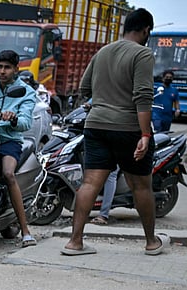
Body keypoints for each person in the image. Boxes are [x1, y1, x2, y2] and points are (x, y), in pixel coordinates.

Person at [62, 8, 169, 256]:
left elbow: (84, 87)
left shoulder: (103, 52)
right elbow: (143, 95)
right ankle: (152, 242)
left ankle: (75, 242)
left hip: (96, 125)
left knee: (90, 183)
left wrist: (101, 100)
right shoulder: (142, 54)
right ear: (146, 30)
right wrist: (144, 134)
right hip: (128, 128)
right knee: (141, 186)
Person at [0, 50, 38, 247]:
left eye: (7, 67)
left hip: (8, 140)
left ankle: (26, 231)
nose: (2, 71)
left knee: (8, 173)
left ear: (16, 69)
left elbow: (25, 122)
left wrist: (13, 119)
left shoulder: (26, 92)